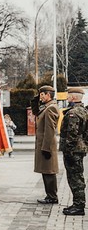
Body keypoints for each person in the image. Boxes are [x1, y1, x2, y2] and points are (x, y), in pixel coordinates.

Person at [60, 88, 88, 216]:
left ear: (73, 97)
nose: (67, 98)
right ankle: (78, 203)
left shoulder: (74, 113)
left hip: (73, 150)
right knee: (77, 177)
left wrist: (69, 150)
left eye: (68, 96)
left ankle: (79, 206)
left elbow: (72, 133)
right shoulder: (84, 111)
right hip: (80, 148)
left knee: (75, 178)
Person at [35, 85, 60, 204]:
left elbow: (50, 129)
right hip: (45, 144)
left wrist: (46, 148)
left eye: (42, 95)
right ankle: (50, 195)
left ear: (48, 95)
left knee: (49, 171)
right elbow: (37, 113)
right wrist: (34, 101)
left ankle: (52, 197)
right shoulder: (47, 107)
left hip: (47, 145)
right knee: (46, 171)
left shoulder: (51, 108)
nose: (40, 98)